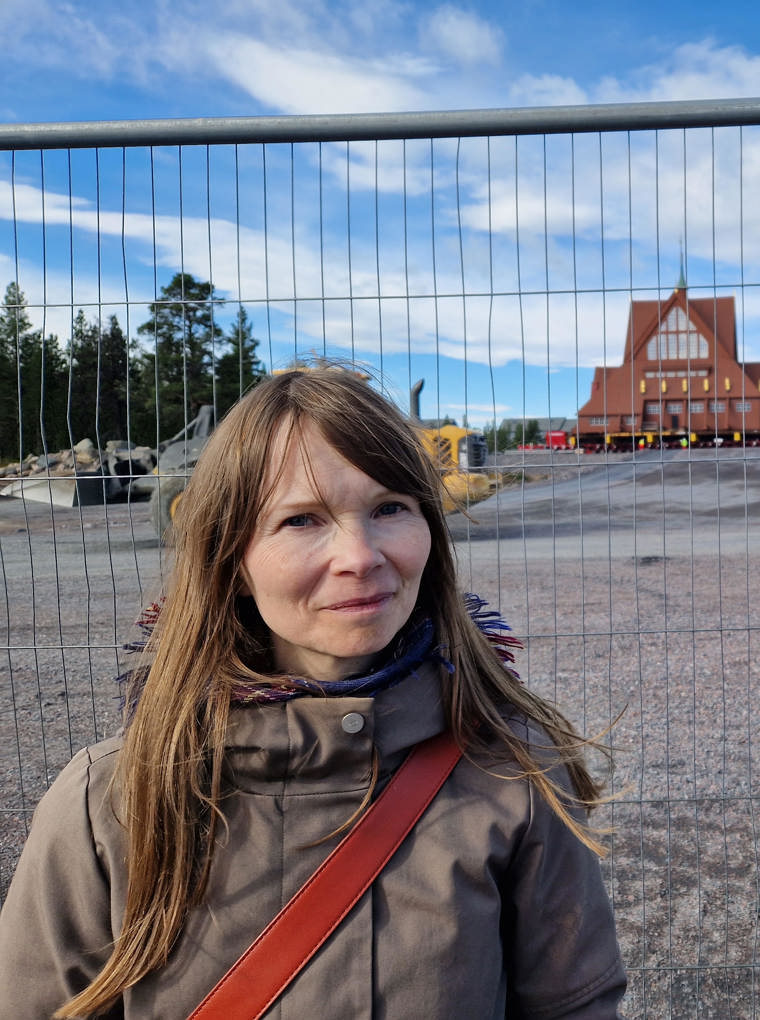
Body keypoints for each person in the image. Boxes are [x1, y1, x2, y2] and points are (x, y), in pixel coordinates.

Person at [0, 367, 626, 1018]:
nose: (359, 555)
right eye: (301, 520)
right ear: (231, 561)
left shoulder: (516, 774)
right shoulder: (107, 809)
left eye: (389, 508)